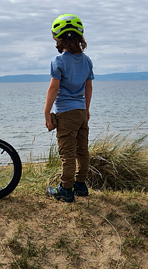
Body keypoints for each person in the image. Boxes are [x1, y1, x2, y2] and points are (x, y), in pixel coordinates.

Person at [44, 14, 94, 203]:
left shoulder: (59, 61)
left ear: (59, 39)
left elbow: (54, 88)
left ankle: (66, 189)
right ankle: (80, 184)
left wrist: (47, 112)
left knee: (67, 153)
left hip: (66, 113)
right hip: (81, 112)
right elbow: (88, 87)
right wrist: (86, 109)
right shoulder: (87, 61)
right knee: (82, 151)